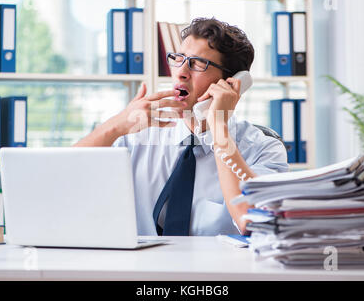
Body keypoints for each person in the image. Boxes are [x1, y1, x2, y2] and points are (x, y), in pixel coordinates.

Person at [75, 17, 288, 236]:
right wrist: (116, 126)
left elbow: (251, 220)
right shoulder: (140, 134)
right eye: (179, 58)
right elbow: (67, 176)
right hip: (140, 267)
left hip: (220, 269)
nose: (181, 72)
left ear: (233, 82)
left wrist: (218, 125)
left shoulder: (263, 149)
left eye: (197, 63)